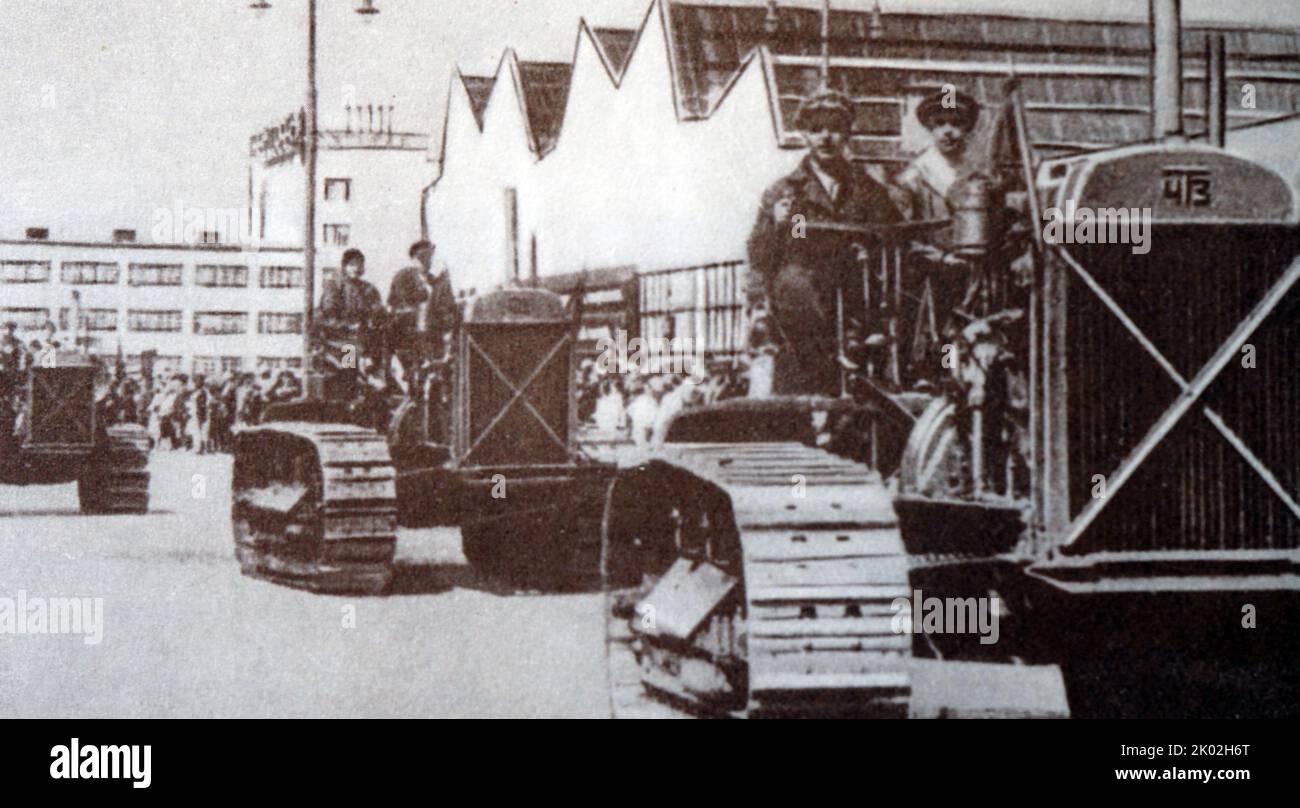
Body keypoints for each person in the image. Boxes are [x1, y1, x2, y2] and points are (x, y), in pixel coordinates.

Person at [745, 88, 902, 396]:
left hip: (857, 289)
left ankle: (861, 354)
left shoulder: (868, 190)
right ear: (804, 134)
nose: (826, 137)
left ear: (847, 134)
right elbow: (759, 254)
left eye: (835, 128)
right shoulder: (786, 191)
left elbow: (892, 234)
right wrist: (778, 226)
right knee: (794, 282)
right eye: (817, 129)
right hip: (802, 300)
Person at [387, 239, 458, 391]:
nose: (426, 262)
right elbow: (401, 304)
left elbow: (446, 307)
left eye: (429, 257)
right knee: (350, 370)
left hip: (427, 338)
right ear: (413, 259)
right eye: (422, 258)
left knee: (431, 378)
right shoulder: (404, 276)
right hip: (402, 339)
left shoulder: (433, 281)